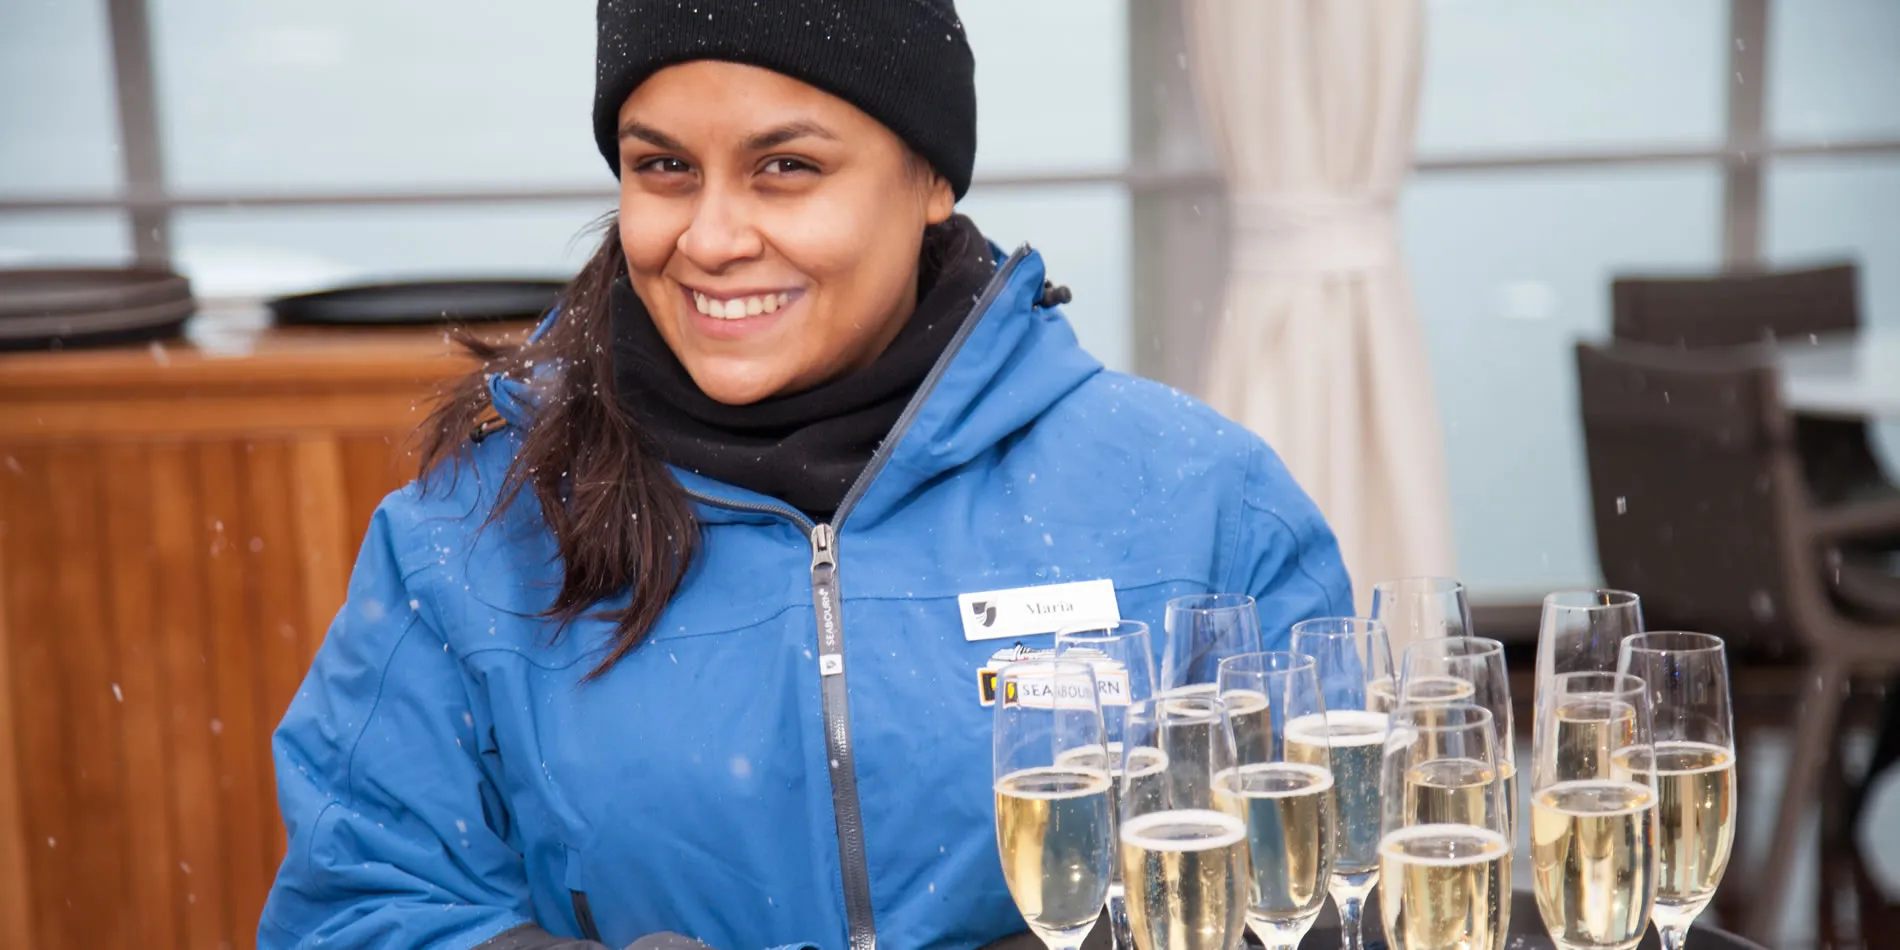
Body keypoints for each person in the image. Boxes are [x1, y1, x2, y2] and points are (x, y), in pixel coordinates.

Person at [259, 2, 1350, 948]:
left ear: (928, 176)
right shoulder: (466, 536)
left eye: (786, 167)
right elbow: (357, 907)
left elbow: (1337, 883)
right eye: (663, 167)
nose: (713, 235)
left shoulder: (1198, 503)